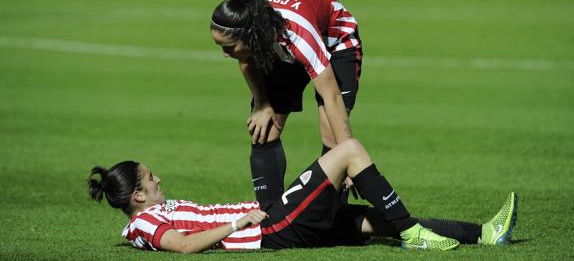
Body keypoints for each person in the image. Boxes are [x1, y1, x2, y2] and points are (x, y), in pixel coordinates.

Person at [88, 139, 518, 253]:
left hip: (274, 221)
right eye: (150, 177)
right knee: (345, 152)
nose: (159, 178)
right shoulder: (143, 223)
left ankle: (484, 234)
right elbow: (183, 245)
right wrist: (240, 222)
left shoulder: (153, 211)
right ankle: (415, 236)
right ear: (138, 196)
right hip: (272, 228)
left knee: (374, 222)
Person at [210, 0, 363, 200]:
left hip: (334, 39)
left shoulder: (299, 37)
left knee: (332, 135)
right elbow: (246, 59)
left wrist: (349, 158)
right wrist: (262, 104)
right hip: (279, 43)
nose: (225, 55)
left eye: (228, 48)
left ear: (250, 37)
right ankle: (271, 220)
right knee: (264, 128)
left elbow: (332, 96)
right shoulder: (246, 18)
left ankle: (330, 222)